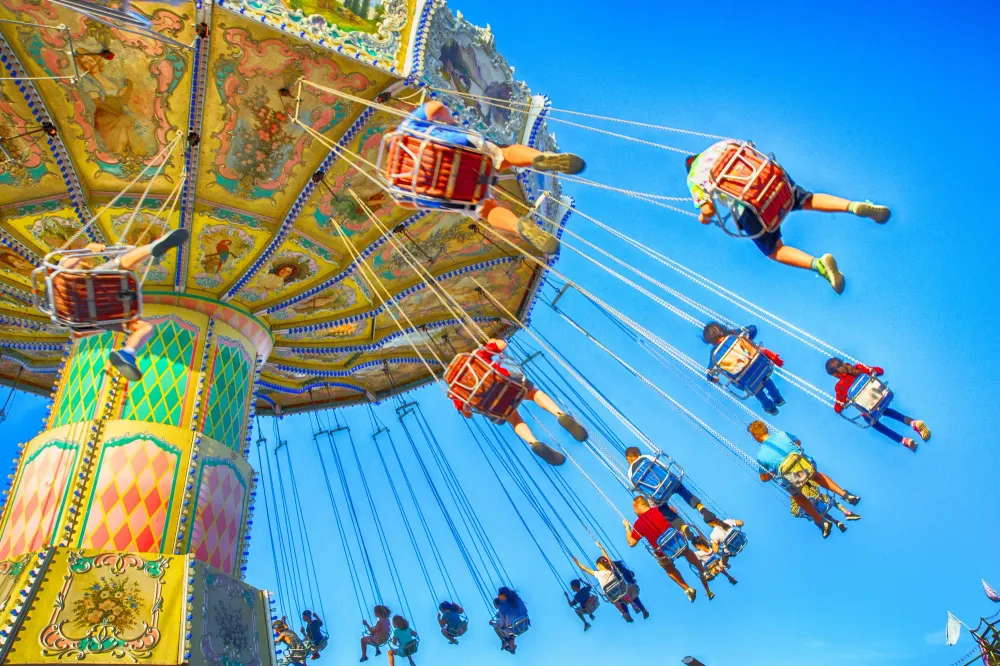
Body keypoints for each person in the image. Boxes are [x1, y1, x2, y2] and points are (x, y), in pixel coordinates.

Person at [685, 141, 891, 294]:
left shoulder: (693, 177)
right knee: (808, 199)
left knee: (774, 250)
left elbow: (708, 210)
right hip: (771, 180)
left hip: (749, 207)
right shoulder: (722, 145)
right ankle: (854, 206)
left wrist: (703, 219)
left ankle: (819, 265)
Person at [394, 101, 585, 255]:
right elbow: (435, 106)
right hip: (462, 151)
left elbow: (412, 203)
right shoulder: (405, 128)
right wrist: (452, 124)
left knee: (486, 210)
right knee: (504, 155)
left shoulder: (395, 184)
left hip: (455, 191)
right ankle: (540, 158)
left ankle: (518, 226)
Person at [52, 229, 189, 381]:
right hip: (88, 290)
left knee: (146, 328)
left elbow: (76, 334)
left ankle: (128, 353)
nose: (90, 261)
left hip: (99, 312)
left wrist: (101, 327)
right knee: (124, 262)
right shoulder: (65, 273)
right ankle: (152, 248)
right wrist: (87, 250)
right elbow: (64, 265)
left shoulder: (67, 307)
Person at [452, 338, 587, 466]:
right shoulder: (476, 356)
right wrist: (490, 342)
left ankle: (533, 442)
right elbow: (501, 345)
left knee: (514, 419)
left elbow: (467, 413)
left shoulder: (454, 387)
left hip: (494, 407)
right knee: (534, 394)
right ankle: (560, 415)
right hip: (509, 386)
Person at [749, 420, 860, 538]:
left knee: (797, 496)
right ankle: (845, 495)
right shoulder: (782, 434)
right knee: (816, 476)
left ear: (756, 436)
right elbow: (797, 442)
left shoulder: (761, 455)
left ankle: (820, 521)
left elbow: (764, 477)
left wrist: (772, 472)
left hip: (794, 477)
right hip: (806, 466)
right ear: (766, 429)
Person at [826, 357, 931, 452]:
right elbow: (880, 370)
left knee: (871, 420)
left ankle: (904, 440)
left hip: (870, 408)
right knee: (884, 409)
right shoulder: (858, 368)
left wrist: (844, 404)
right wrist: (870, 371)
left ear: (835, 374)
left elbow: (837, 408)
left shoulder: (840, 387)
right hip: (882, 396)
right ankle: (913, 423)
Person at [623, 496, 713, 602]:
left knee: (668, 568)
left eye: (634, 509)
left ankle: (687, 588)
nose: (634, 512)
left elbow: (631, 542)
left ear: (637, 507)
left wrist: (627, 528)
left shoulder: (638, 524)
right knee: (687, 551)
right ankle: (702, 570)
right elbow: (674, 513)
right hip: (677, 541)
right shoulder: (659, 509)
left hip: (663, 552)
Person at [624, 446, 730, 528]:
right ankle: (701, 508)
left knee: (662, 508)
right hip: (669, 482)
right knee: (680, 488)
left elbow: (641, 491)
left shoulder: (630, 474)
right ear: (638, 453)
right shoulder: (646, 458)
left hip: (658, 495)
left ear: (628, 458)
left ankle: (683, 527)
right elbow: (663, 466)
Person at [702, 322, 785, 415]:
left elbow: (709, 375)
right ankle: (778, 398)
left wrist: (714, 379)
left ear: (710, 341)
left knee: (754, 388)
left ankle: (769, 407)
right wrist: (745, 332)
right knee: (765, 378)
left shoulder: (715, 355)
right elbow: (753, 328)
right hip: (760, 366)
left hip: (746, 380)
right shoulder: (735, 334)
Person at [573, 542, 649, 622]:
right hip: (621, 589)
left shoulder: (597, 573)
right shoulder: (611, 569)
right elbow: (607, 557)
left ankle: (624, 613)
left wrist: (578, 563)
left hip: (610, 594)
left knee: (616, 601)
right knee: (624, 591)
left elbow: (585, 569)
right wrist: (601, 547)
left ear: (599, 565)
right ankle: (634, 605)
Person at [491, 587, 529, 654]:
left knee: (500, 628)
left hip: (515, 628)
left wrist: (494, 624)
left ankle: (506, 642)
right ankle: (510, 645)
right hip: (524, 623)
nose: (499, 596)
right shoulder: (516, 599)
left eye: (499, 595)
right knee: (510, 628)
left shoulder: (503, 607)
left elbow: (502, 624)